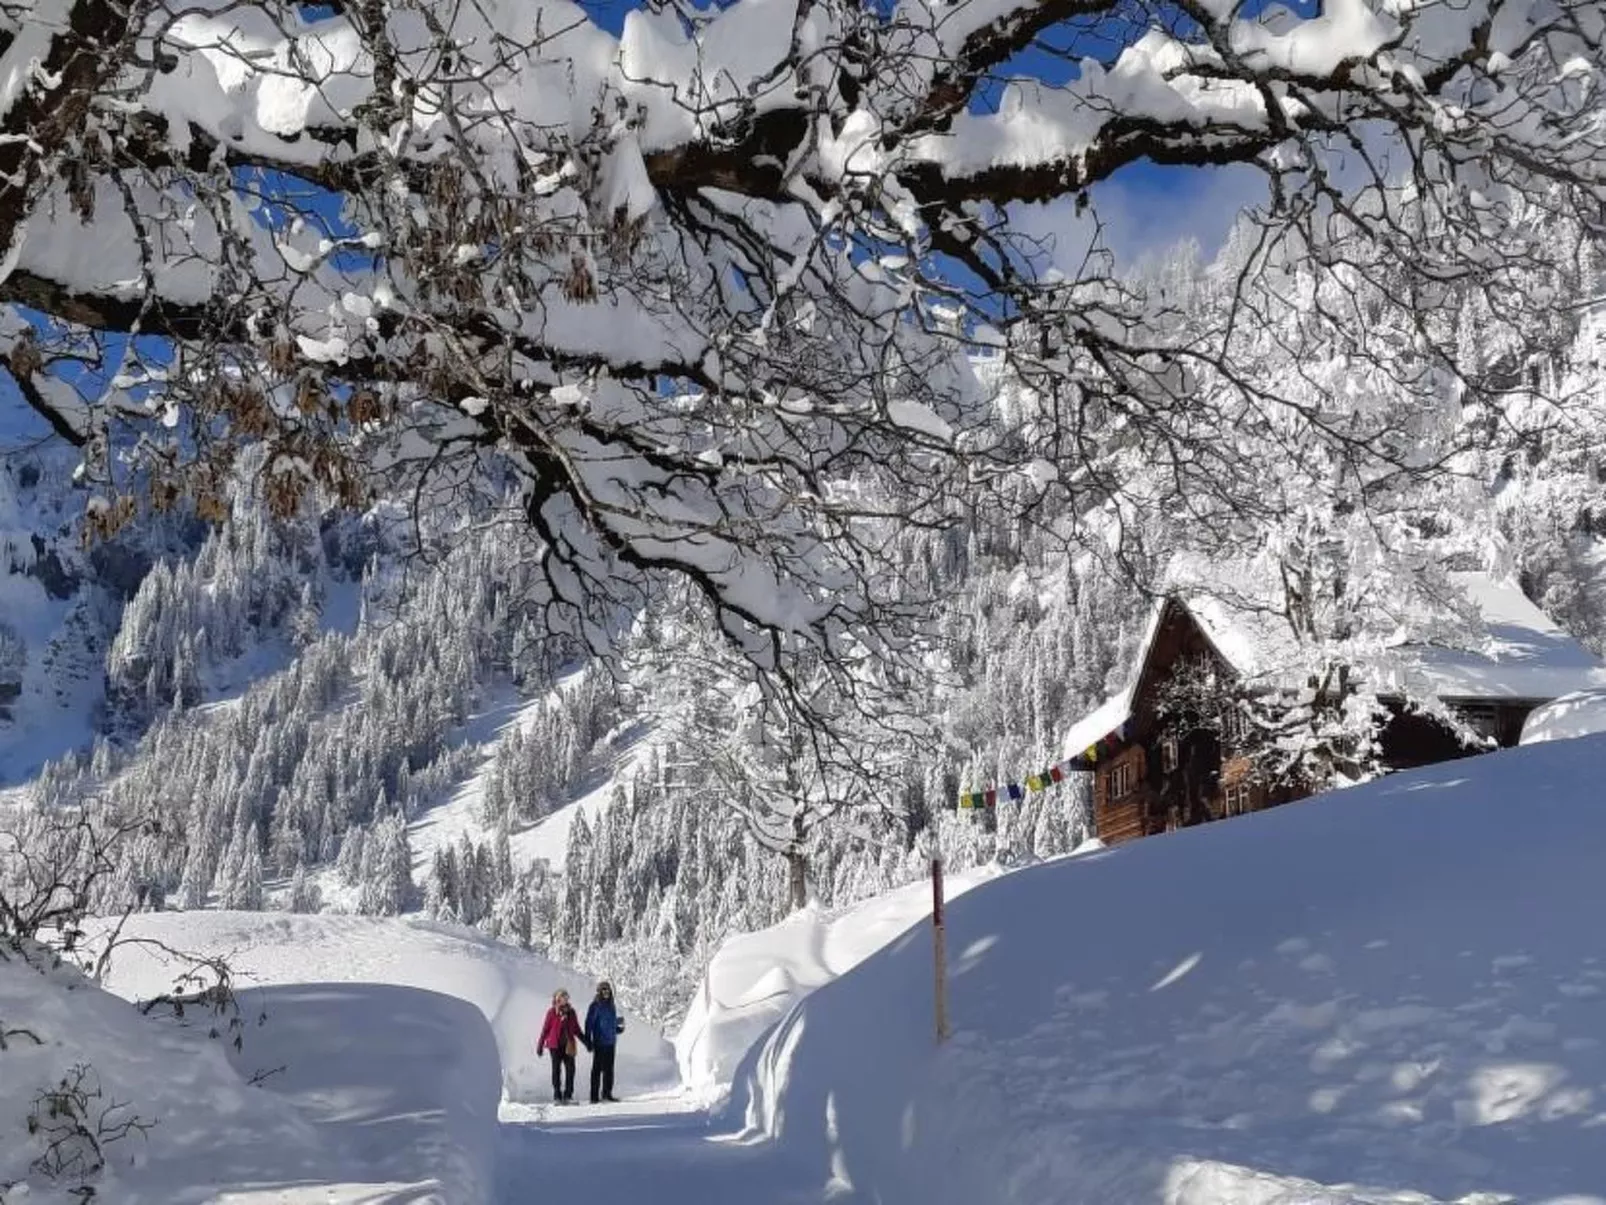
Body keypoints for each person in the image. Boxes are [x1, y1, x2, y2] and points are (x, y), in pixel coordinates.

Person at [537, 989, 588, 1103]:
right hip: (554, 1046)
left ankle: (568, 1095)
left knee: (571, 1070)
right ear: (557, 999)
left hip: (568, 1046)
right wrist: (540, 1045)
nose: (565, 999)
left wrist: (586, 1042)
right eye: (563, 997)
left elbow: (576, 1030)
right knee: (556, 1070)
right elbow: (545, 1030)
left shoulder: (571, 1012)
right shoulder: (551, 1012)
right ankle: (557, 1095)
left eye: (567, 997)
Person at [584, 979, 625, 1103]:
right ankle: (594, 1096)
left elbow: (610, 1023)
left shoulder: (611, 1005)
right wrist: (588, 1040)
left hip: (611, 1042)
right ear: (599, 992)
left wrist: (618, 1029)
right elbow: (589, 1023)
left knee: (609, 1069)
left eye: (607, 989)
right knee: (597, 1069)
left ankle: (607, 1094)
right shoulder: (595, 1005)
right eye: (603, 989)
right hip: (599, 1042)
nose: (606, 992)